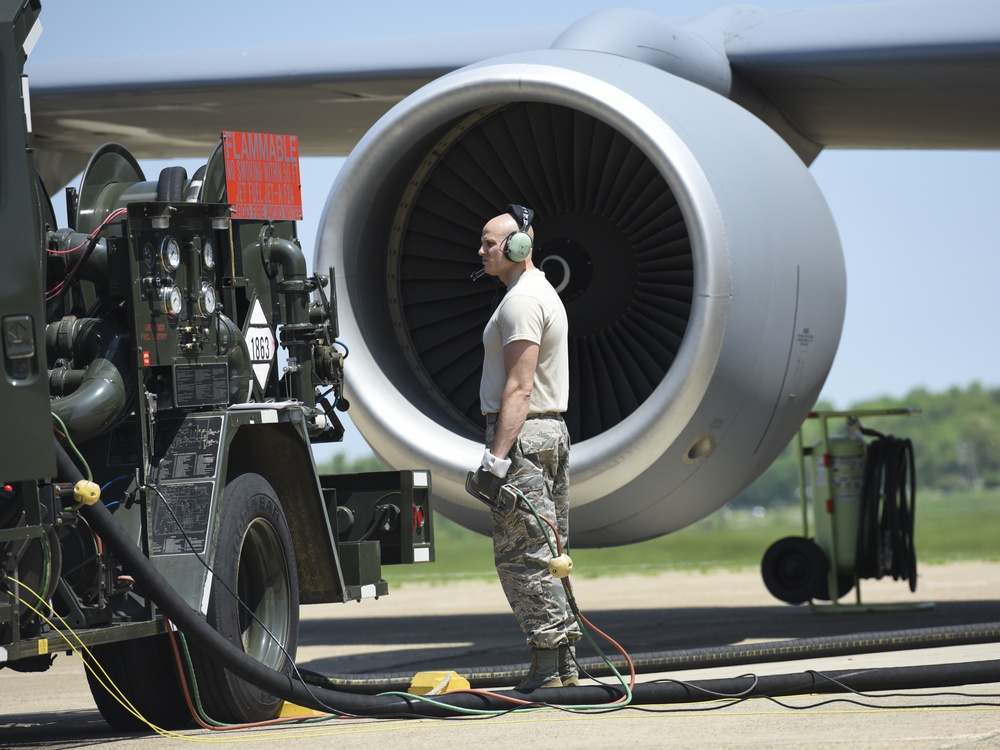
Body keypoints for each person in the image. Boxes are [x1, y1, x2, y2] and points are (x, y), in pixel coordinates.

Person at [470, 204, 581, 691]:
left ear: (518, 247)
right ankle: (566, 664)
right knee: (552, 552)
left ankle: (547, 667)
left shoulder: (519, 303)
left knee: (523, 557)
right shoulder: (541, 294)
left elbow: (518, 388)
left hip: (526, 438)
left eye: (490, 243)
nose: (482, 251)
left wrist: (495, 460)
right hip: (549, 434)